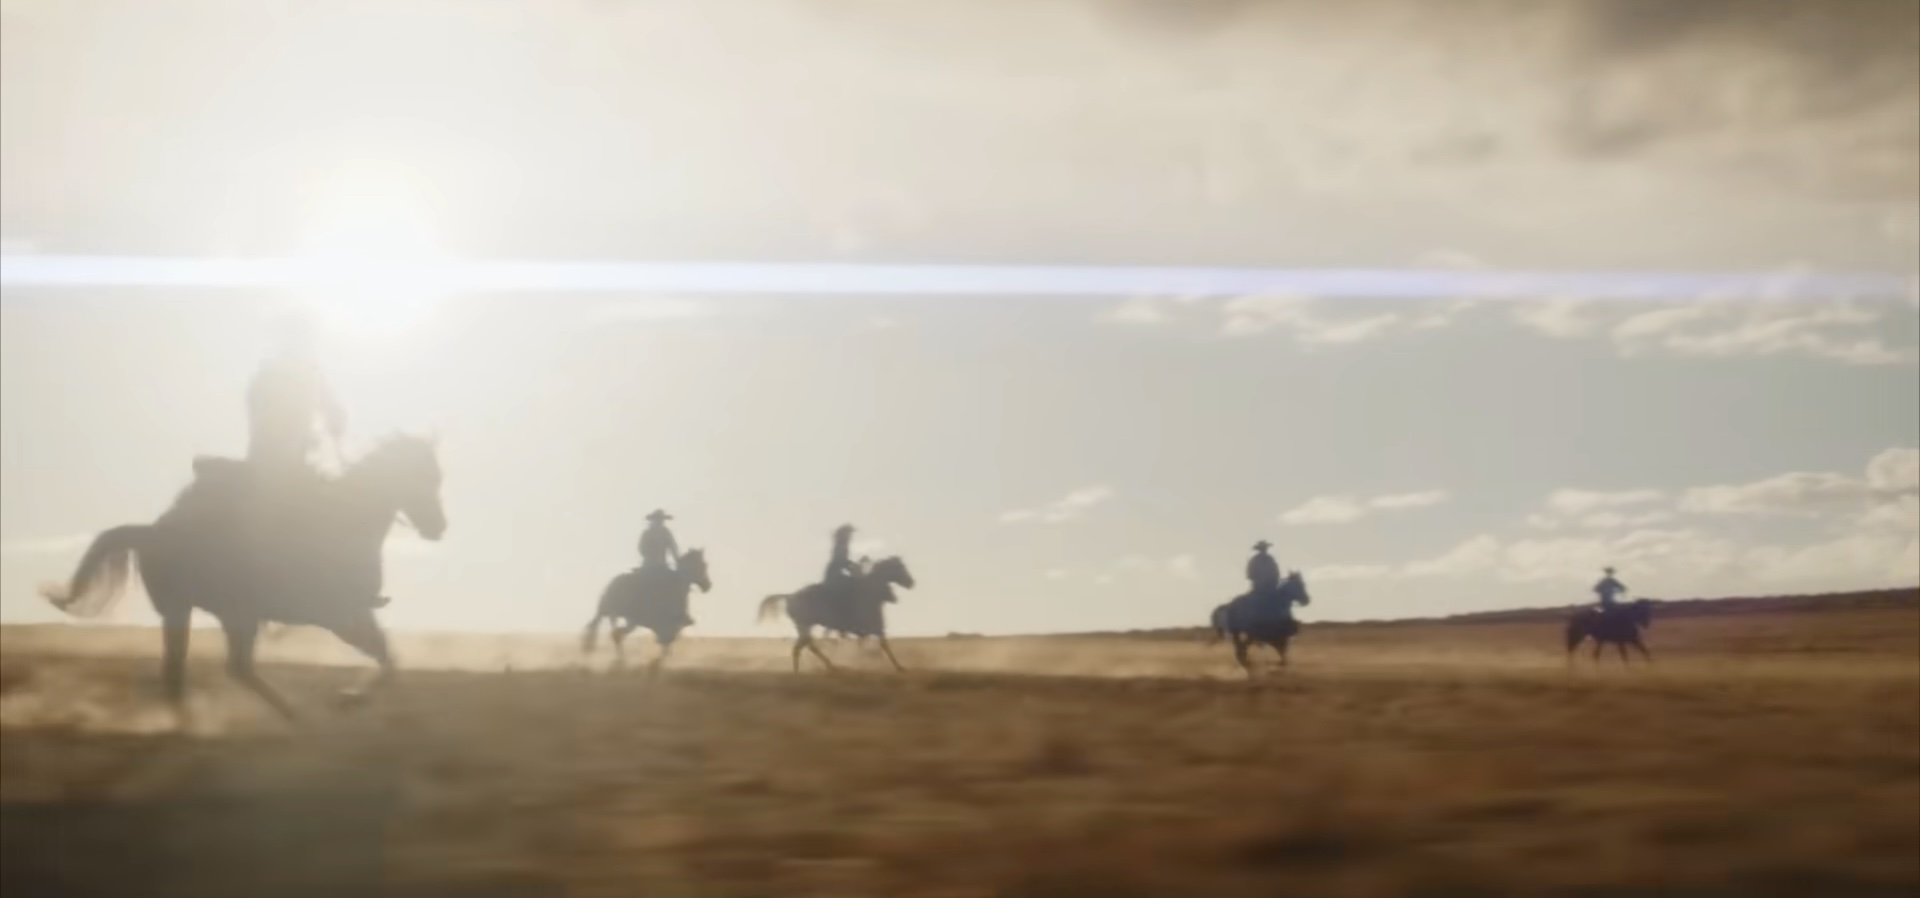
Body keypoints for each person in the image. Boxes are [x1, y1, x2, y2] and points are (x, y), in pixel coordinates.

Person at [246, 310, 346, 482]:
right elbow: (335, 416)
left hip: (267, 459)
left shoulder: (266, 374)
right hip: (286, 462)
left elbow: (334, 416)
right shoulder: (309, 374)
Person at [637, 510, 689, 625]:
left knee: (679, 585)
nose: (660, 522)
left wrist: (678, 562)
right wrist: (651, 556)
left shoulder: (666, 533)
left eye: (661, 520)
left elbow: (674, 549)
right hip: (648, 567)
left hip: (662, 567)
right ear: (653, 521)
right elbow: (641, 549)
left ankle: (681, 612)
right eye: (658, 520)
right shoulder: (647, 533)